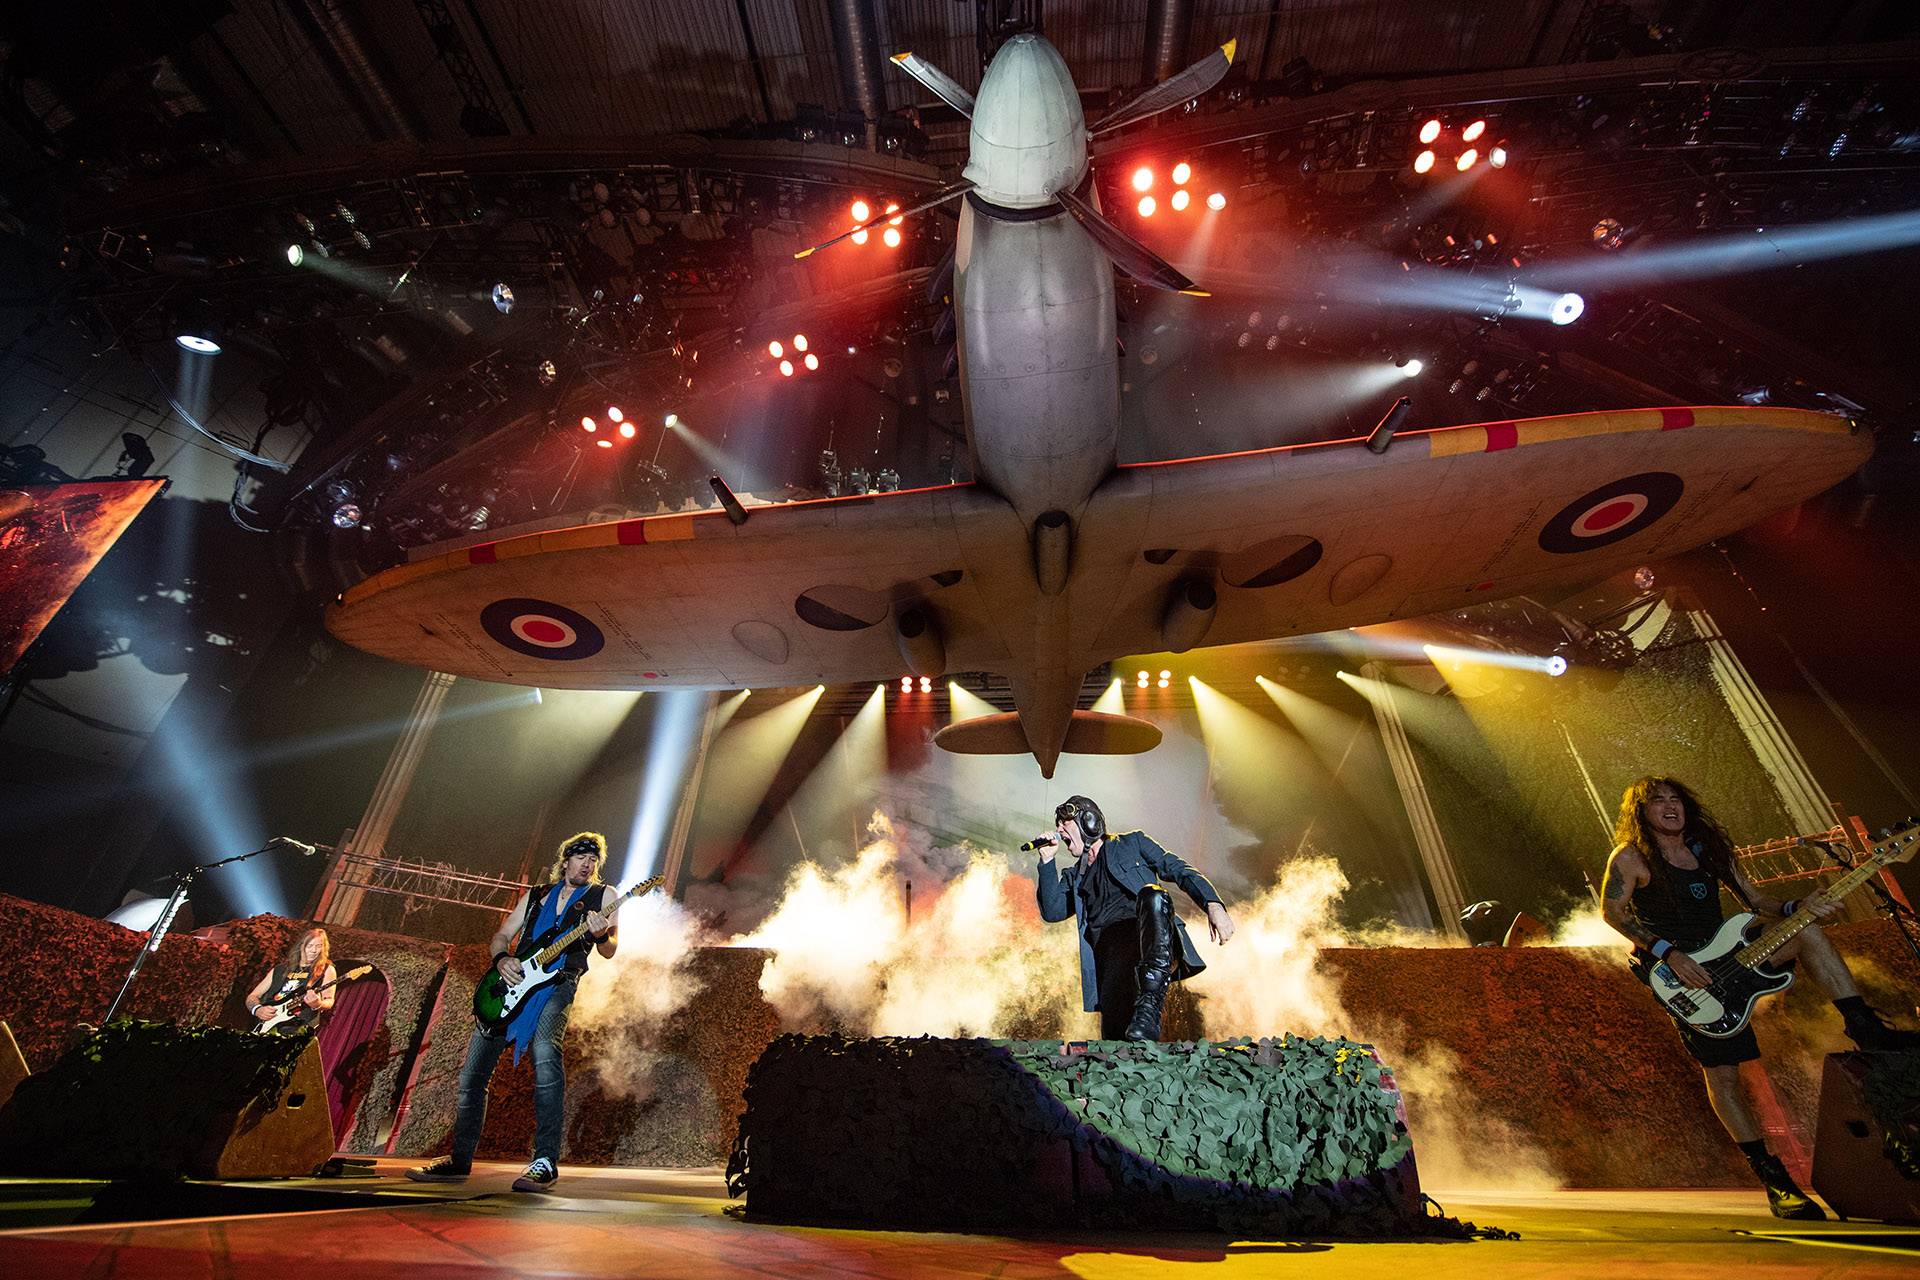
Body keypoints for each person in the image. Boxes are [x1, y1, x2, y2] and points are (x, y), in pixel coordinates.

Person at [1600, 776, 1919, 1220]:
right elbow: (1612, 912)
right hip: (1683, 976)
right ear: (1642, 812)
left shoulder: (1707, 850)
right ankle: (1774, 1179)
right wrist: (1669, 954)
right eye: (1658, 801)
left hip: (1729, 953)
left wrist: (1796, 906)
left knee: (1806, 930)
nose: (1670, 806)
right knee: (1724, 1076)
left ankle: (1864, 1027)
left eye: (1676, 799)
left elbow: (1756, 900)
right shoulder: (1631, 857)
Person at [407, 832, 619, 1193]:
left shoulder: (604, 896)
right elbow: (502, 935)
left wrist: (600, 935)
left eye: (593, 860)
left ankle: (545, 1161)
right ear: (566, 860)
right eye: (581, 857)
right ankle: (459, 1160)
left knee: (546, 1056)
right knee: (472, 1076)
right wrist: (502, 959)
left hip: (558, 984)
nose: (587, 864)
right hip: (512, 985)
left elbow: (610, 949)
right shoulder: (537, 895)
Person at [1035, 795, 1235, 1041]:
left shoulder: (1133, 843)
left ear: (1089, 822)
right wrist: (1047, 860)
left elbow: (1179, 870)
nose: (1058, 830)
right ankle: (1139, 1023)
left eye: (1064, 823)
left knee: (1153, 896)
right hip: (1111, 961)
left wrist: (1213, 904)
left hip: (1149, 937)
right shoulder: (1075, 876)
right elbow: (1052, 911)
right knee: (1120, 1042)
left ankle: (1150, 1002)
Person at [246, 928, 336, 1033]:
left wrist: (318, 1004)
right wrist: (257, 1009)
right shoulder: (280, 969)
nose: (314, 950)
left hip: (297, 1030)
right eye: (310, 946)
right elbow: (252, 996)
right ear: (301, 946)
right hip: (267, 1027)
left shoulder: (326, 969)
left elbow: (329, 1000)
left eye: (319, 946)